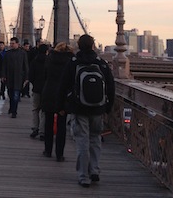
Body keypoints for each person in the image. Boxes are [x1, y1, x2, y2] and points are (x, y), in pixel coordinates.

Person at [57, 34, 115, 187]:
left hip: (79, 107)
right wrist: (108, 106)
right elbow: (110, 86)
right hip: (98, 108)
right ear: (93, 46)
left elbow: (63, 85)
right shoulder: (101, 63)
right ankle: (94, 170)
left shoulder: (73, 63)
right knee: (95, 138)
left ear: (78, 46)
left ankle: (84, 176)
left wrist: (61, 106)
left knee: (82, 140)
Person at [41, 42, 74, 159]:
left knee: (48, 123)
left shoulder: (49, 59)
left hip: (49, 92)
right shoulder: (71, 62)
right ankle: (59, 154)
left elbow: (45, 76)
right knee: (61, 125)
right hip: (63, 95)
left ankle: (48, 150)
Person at [1, 36, 29, 118]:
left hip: (18, 78)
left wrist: (26, 78)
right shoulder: (8, 53)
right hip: (9, 77)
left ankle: (14, 111)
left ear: (18, 44)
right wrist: (3, 75)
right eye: (11, 43)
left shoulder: (23, 53)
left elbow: (26, 66)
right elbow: (4, 65)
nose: (11, 45)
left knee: (16, 95)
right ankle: (12, 107)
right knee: (10, 94)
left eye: (13, 43)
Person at [28, 43, 48, 139]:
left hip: (36, 88)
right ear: (47, 51)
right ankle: (42, 131)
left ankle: (35, 128)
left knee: (35, 109)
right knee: (44, 110)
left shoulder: (34, 61)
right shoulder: (49, 61)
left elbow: (30, 76)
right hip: (46, 89)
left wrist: (35, 83)